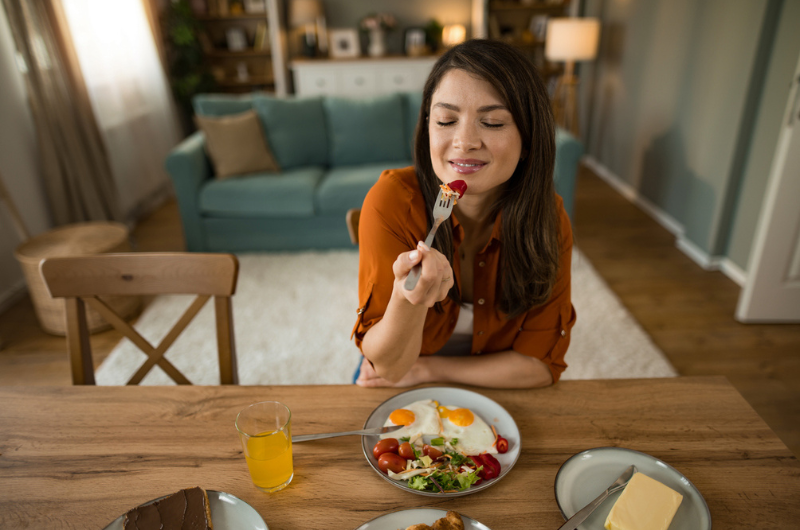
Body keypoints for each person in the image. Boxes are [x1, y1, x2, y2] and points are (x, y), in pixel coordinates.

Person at [352, 39, 576, 389]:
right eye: (446, 120)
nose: (464, 141)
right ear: (428, 125)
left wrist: (431, 371)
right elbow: (390, 368)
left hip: (476, 385)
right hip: (400, 379)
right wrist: (406, 298)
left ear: (528, 140)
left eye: (492, 122)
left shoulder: (548, 218)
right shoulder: (392, 201)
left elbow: (540, 366)